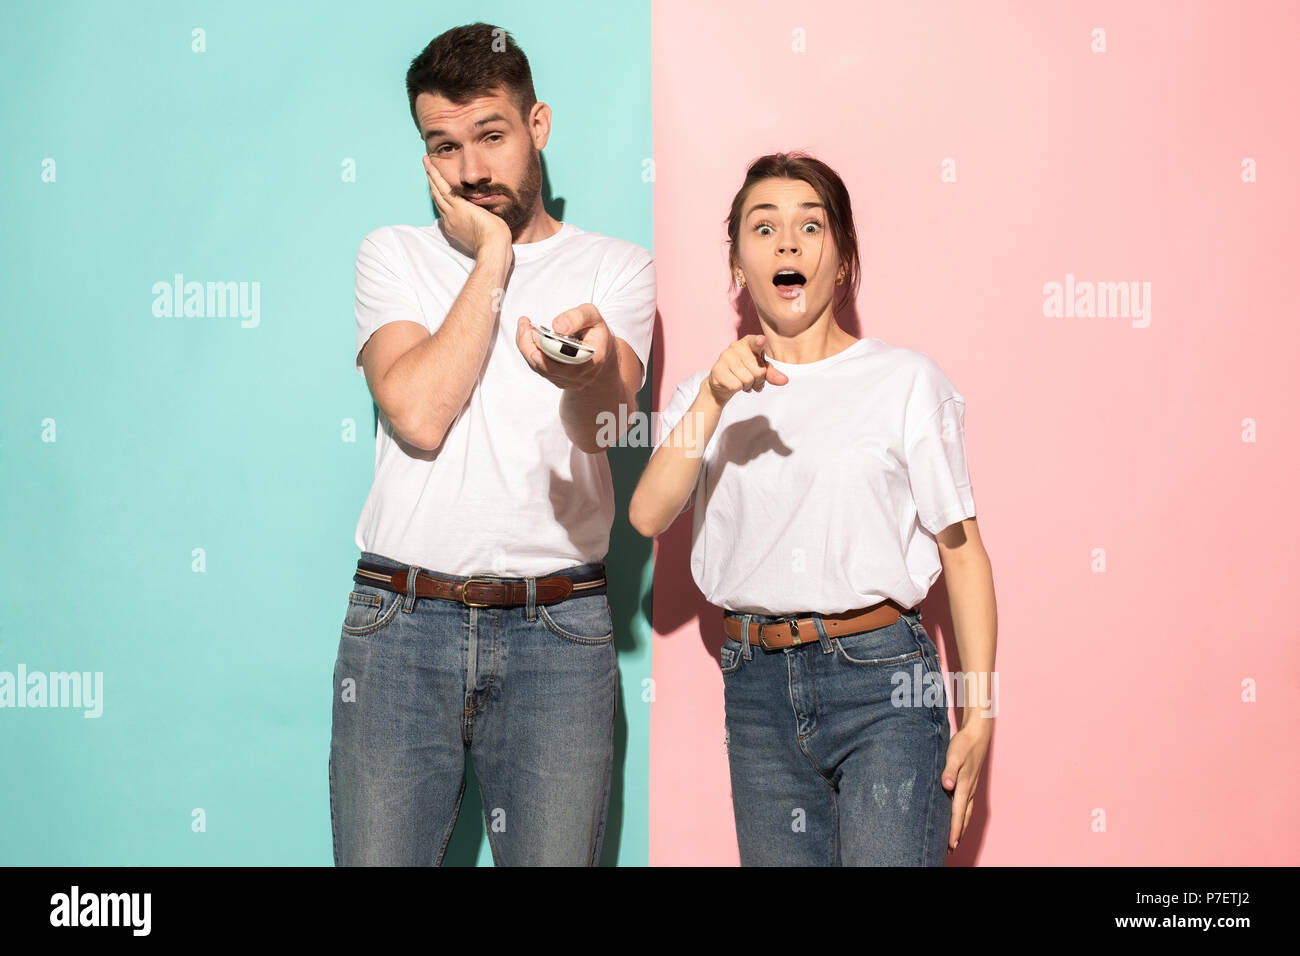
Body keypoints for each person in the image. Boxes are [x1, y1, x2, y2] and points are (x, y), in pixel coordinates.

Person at [330, 22, 655, 866]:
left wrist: (583, 372)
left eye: (491, 136)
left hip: (561, 631)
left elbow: (608, 419)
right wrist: (494, 257)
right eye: (443, 146)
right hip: (399, 626)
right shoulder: (391, 256)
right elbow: (419, 412)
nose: (471, 169)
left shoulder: (617, 268)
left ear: (537, 126)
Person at [629, 152, 996, 866]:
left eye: (810, 226)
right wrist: (711, 398)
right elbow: (647, 515)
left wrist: (979, 713)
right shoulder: (711, 394)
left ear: (844, 261)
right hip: (757, 689)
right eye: (763, 228)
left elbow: (962, 551)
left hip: (884, 682)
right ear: (737, 266)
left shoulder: (905, 382)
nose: (788, 243)